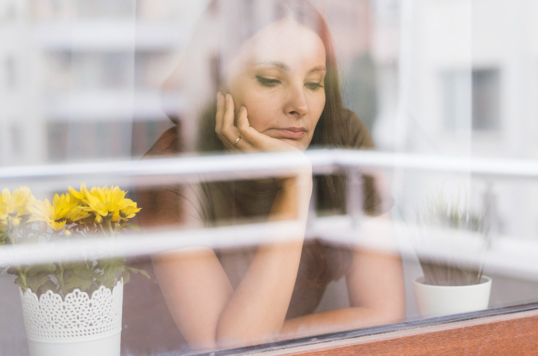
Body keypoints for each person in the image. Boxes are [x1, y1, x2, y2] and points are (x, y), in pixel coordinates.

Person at [132, 0, 405, 351]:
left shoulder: (341, 138)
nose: (300, 105)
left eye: (314, 83)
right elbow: (232, 349)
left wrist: (265, 331)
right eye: (271, 80)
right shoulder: (170, 169)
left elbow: (385, 310)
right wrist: (295, 187)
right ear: (217, 82)